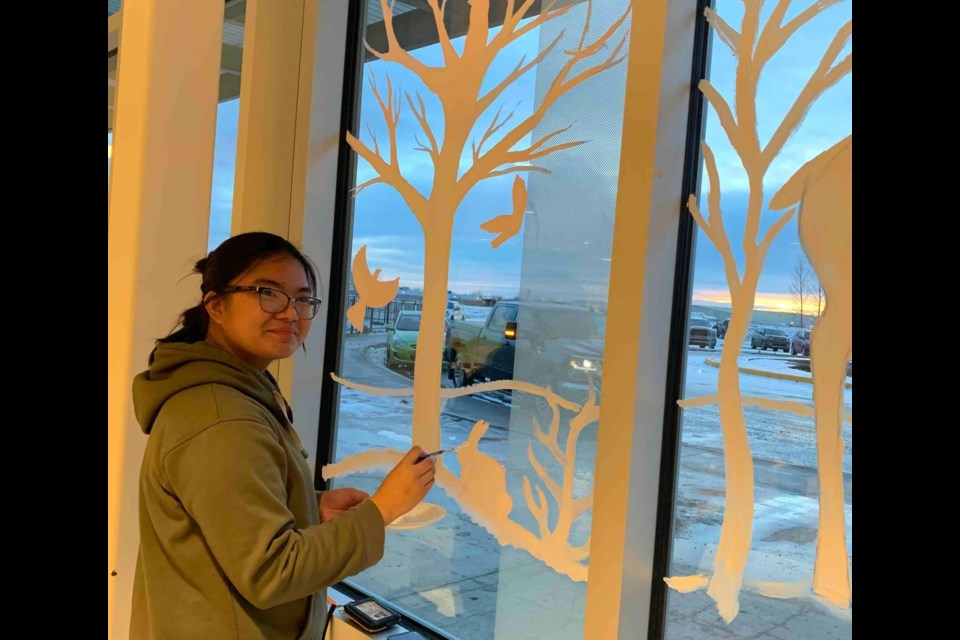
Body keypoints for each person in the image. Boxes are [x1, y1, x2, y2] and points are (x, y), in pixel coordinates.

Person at [129, 231, 436, 639]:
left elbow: (225, 520)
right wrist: (383, 509)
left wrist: (309, 506)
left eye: (303, 299)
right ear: (216, 305)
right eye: (267, 293)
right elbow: (272, 572)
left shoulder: (232, 392)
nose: (291, 313)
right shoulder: (222, 420)